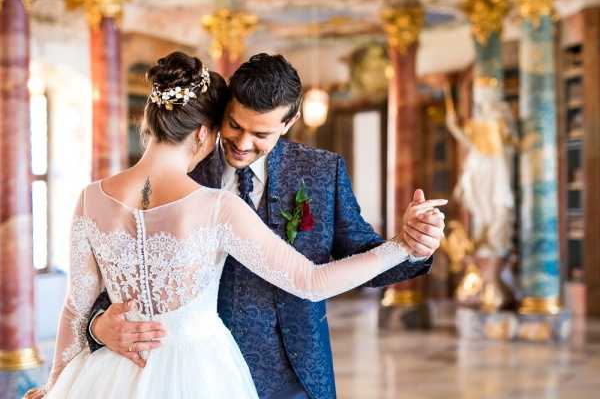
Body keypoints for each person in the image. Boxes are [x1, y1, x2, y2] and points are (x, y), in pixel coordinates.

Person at [27, 52, 446, 399]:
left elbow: (72, 304)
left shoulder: (320, 171)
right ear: (207, 130)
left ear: (289, 122)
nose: (243, 143)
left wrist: (410, 245)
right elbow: (310, 280)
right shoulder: (209, 198)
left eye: (260, 133)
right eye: (234, 126)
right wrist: (99, 327)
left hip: (289, 375)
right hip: (205, 373)